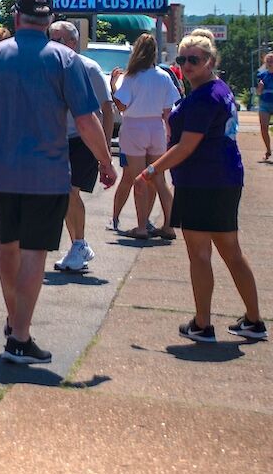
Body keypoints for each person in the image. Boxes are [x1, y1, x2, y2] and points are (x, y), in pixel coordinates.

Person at [0, 0, 115, 364]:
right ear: (48, 19)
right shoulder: (65, 60)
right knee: (33, 253)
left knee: (8, 246)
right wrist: (105, 161)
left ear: (16, 17)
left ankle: (14, 318)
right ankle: (20, 336)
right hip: (48, 172)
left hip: (1, 172)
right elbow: (87, 120)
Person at [136, 29, 264, 342]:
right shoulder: (218, 89)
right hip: (223, 178)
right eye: (182, 59)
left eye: (194, 60)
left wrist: (152, 169)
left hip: (202, 181)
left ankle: (203, 323)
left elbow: (186, 147)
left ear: (209, 61)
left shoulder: (205, 97)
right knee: (231, 251)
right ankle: (254, 320)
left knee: (200, 254)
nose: (187, 65)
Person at [47, 22, 116, 272]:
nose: (53, 43)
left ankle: (78, 244)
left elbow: (106, 110)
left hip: (83, 140)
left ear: (73, 43)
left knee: (68, 191)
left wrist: (104, 152)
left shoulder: (89, 68)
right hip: (57, 139)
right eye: (51, 37)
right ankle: (79, 244)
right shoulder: (47, 68)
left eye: (60, 39)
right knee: (64, 195)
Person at [109, 32, 178, 240]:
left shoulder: (131, 76)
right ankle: (168, 225)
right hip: (156, 127)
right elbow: (169, 110)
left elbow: (122, 105)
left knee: (138, 179)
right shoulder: (163, 76)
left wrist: (114, 85)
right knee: (159, 179)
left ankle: (141, 227)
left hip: (134, 127)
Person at [255, 52, 273, 163]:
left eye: (272, 61)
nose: (271, 63)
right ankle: (268, 150)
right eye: (269, 61)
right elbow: (258, 92)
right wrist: (260, 87)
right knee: (263, 128)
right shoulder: (263, 75)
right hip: (264, 104)